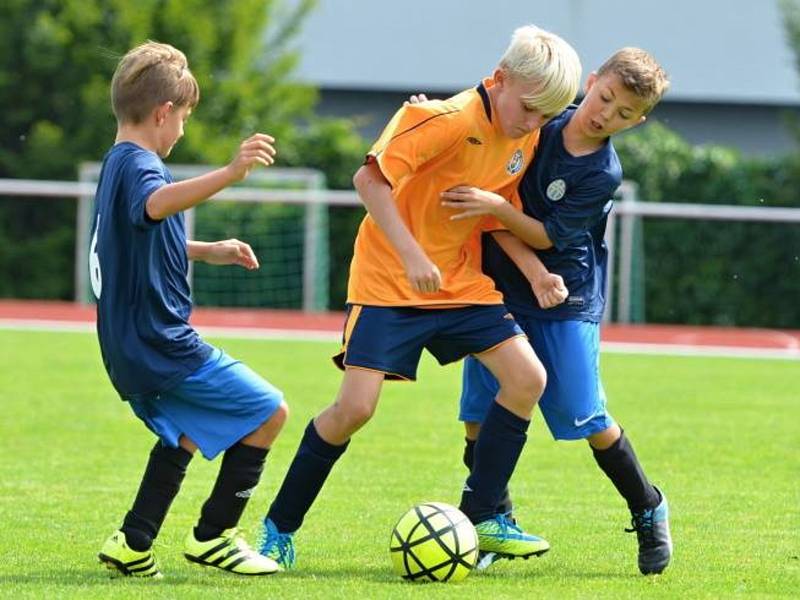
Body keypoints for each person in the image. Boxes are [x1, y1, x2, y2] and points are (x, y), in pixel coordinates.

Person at [257, 25, 582, 570]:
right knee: (354, 410)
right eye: (529, 109)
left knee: (528, 379)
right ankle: (278, 530)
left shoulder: (522, 133)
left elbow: (492, 213)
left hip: (458, 283)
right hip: (389, 281)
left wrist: (534, 272)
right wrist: (411, 255)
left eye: (546, 117)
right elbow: (368, 181)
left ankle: (484, 515)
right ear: (499, 79)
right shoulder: (445, 118)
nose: (533, 125)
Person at [438, 47, 673, 575]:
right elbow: (484, 115)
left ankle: (648, 505)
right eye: (605, 97)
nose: (605, 114)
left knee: (583, 414)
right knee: (479, 411)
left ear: (638, 122)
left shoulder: (602, 173)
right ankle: (490, 517)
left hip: (566, 298)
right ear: (591, 81)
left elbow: (541, 233)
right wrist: (427, 111)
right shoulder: (538, 123)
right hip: (501, 287)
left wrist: (499, 211)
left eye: (623, 114)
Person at [91, 41, 288, 578]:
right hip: (160, 343)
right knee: (270, 411)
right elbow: (156, 205)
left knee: (184, 432)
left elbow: (137, 238)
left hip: (128, 346)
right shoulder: (142, 166)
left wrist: (208, 251)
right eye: (183, 118)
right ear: (162, 113)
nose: (181, 130)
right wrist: (229, 172)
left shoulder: (116, 163)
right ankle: (214, 536)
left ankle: (133, 542)